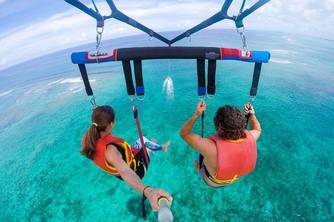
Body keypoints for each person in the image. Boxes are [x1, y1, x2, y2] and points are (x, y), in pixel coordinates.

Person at [81, 105, 172, 211]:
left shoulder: (87, 138)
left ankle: (152, 145)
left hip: (127, 161)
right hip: (137, 170)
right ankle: (161, 148)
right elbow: (125, 171)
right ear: (111, 124)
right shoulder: (111, 151)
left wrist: (98, 113)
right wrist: (148, 191)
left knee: (142, 139)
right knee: (146, 144)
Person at [179, 101, 261, 187]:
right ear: (242, 124)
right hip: (232, 179)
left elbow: (184, 134)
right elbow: (258, 129)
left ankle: (197, 168)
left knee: (198, 154)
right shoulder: (252, 137)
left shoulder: (210, 148)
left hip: (212, 182)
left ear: (218, 126)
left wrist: (197, 114)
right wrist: (252, 115)